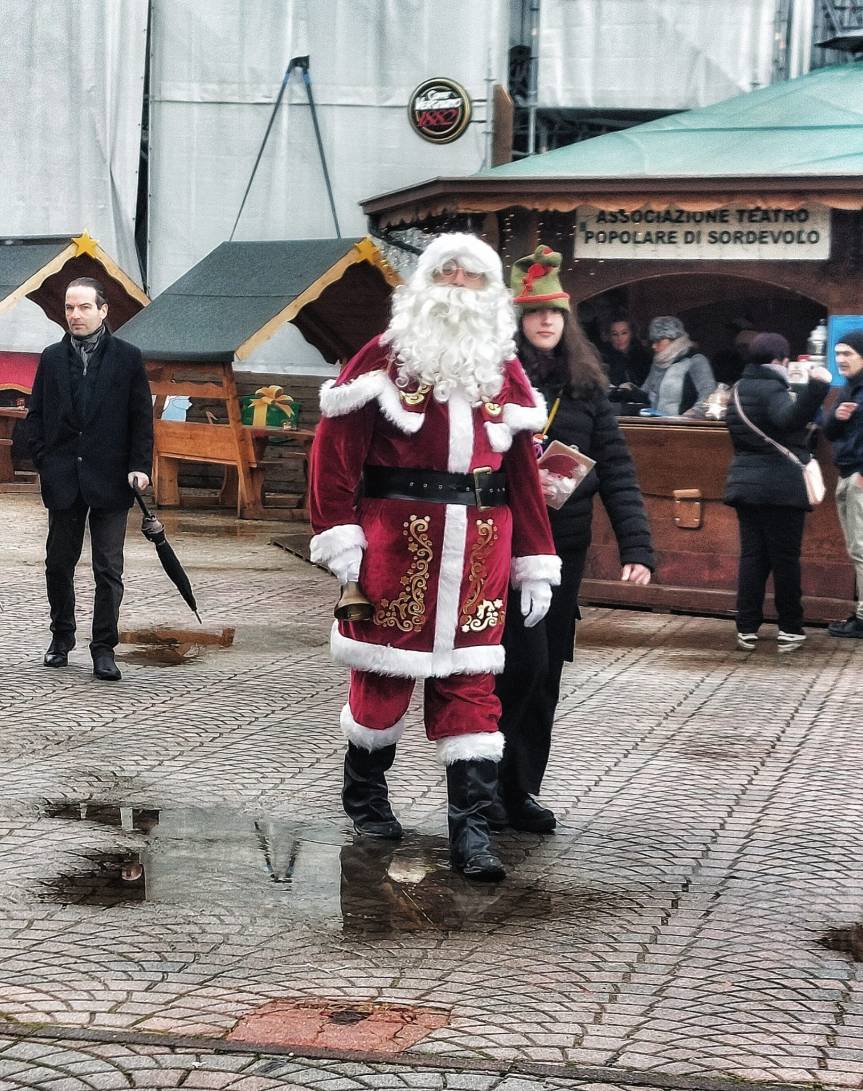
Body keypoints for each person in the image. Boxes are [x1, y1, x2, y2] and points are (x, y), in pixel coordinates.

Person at [307, 233, 560, 881]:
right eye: (444, 270)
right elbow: (335, 454)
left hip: (480, 550)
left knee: (472, 688)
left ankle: (471, 833)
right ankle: (365, 795)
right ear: (423, 281)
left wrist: (535, 555)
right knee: (382, 680)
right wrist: (339, 534)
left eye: (470, 273)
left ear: (490, 289)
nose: (455, 280)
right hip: (396, 548)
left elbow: (523, 478)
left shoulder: (503, 369)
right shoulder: (384, 358)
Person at [491, 245, 654, 832]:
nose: (546, 322)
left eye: (555, 314)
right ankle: (482, 786)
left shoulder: (587, 388)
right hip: (498, 544)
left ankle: (521, 789)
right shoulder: (493, 381)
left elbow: (617, 467)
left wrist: (638, 547)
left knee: (545, 673)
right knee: (501, 667)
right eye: (535, 313)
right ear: (516, 319)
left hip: (563, 551)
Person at [27, 278, 153, 681]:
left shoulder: (128, 358)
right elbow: (36, 417)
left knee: (107, 569)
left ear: (103, 310)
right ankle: (61, 638)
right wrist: (44, 461)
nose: (75, 315)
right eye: (69, 308)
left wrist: (140, 465)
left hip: (111, 477)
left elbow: (141, 419)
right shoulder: (50, 358)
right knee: (58, 564)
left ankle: (104, 648)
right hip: (63, 476)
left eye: (83, 307)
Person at [724, 332, 832, 652]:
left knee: (753, 557)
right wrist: (817, 389)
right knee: (785, 560)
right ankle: (790, 627)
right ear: (780, 361)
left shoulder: (738, 390)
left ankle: (746, 626)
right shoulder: (773, 388)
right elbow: (788, 419)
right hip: (780, 487)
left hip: (745, 484)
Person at [822, 329, 863, 639]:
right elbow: (831, 432)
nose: (840, 360)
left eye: (847, 354)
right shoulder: (849, 389)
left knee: (862, 548)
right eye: (837, 354)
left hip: (860, 475)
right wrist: (836, 417)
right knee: (855, 547)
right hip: (847, 472)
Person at [623, 315, 716, 416]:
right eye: (653, 341)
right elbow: (647, 394)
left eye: (658, 341)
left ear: (674, 339)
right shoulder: (658, 363)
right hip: (656, 424)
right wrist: (631, 390)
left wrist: (694, 413)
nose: (654, 346)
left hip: (684, 427)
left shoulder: (695, 360)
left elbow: (708, 394)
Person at [601, 315, 652, 388]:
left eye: (624, 333)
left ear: (631, 333)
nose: (619, 338)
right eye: (615, 334)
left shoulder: (643, 357)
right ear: (609, 336)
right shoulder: (603, 359)